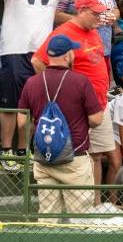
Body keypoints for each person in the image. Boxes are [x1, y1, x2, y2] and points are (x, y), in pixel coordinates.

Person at [0, 0, 76, 155]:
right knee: (10, 103)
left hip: (43, 50)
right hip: (13, 46)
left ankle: (25, 149)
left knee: (36, 101)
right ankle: (6, 149)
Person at [32, 0, 114, 188]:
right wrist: (58, 92)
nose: (99, 17)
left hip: (100, 103)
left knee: (97, 156)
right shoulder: (64, 32)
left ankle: (94, 210)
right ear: (82, 11)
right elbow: (37, 60)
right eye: (95, 13)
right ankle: (81, 209)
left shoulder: (93, 31)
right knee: (81, 156)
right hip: (80, 108)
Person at [17, 34, 102, 219]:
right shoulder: (81, 81)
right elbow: (96, 119)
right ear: (67, 56)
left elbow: (22, 122)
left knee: (48, 217)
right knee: (80, 220)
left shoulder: (32, 83)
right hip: (75, 158)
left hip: (43, 158)